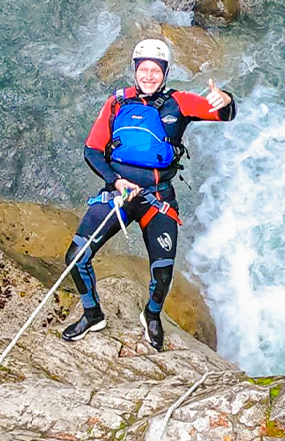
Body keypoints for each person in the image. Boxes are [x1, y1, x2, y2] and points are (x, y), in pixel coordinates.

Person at [61, 37, 235, 351]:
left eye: (156, 70)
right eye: (144, 70)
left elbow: (223, 114)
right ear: (135, 71)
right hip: (119, 195)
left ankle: (151, 315)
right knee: (76, 257)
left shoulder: (179, 102)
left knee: (163, 270)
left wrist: (225, 100)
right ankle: (92, 313)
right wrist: (115, 182)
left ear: (165, 73)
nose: (149, 76)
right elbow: (92, 150)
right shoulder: (116, 103)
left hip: (158, 198)